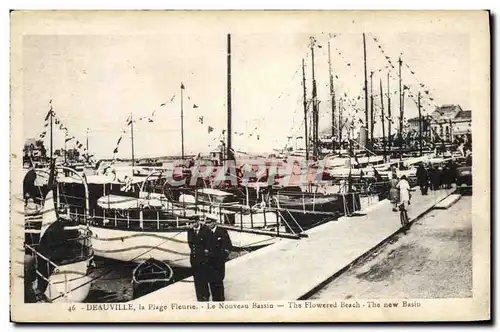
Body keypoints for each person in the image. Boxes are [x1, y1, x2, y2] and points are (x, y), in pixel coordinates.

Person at [205, 220, 232, 301]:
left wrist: (222, 258)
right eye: (206, 223)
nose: (208, 225)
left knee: (219, 282)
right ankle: (215, 300)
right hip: (209, 262)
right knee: (211, 282)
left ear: (214, 223)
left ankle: (220, 300)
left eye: (209, 223)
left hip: (218, 262)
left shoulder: (222, 232)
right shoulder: (206, 233)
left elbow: (228, 246)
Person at [187, 218, 211, 301]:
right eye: (191, 223)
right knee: (196, 279)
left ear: (197, 221)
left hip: (203, 259)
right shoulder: (190, 231)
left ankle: (206, 295)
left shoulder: (205, 230)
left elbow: (208, 244)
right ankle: (199, 296)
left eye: (194, 222)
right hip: (194, 259)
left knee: (204, 278)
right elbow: (190, 244)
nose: (193, 224)